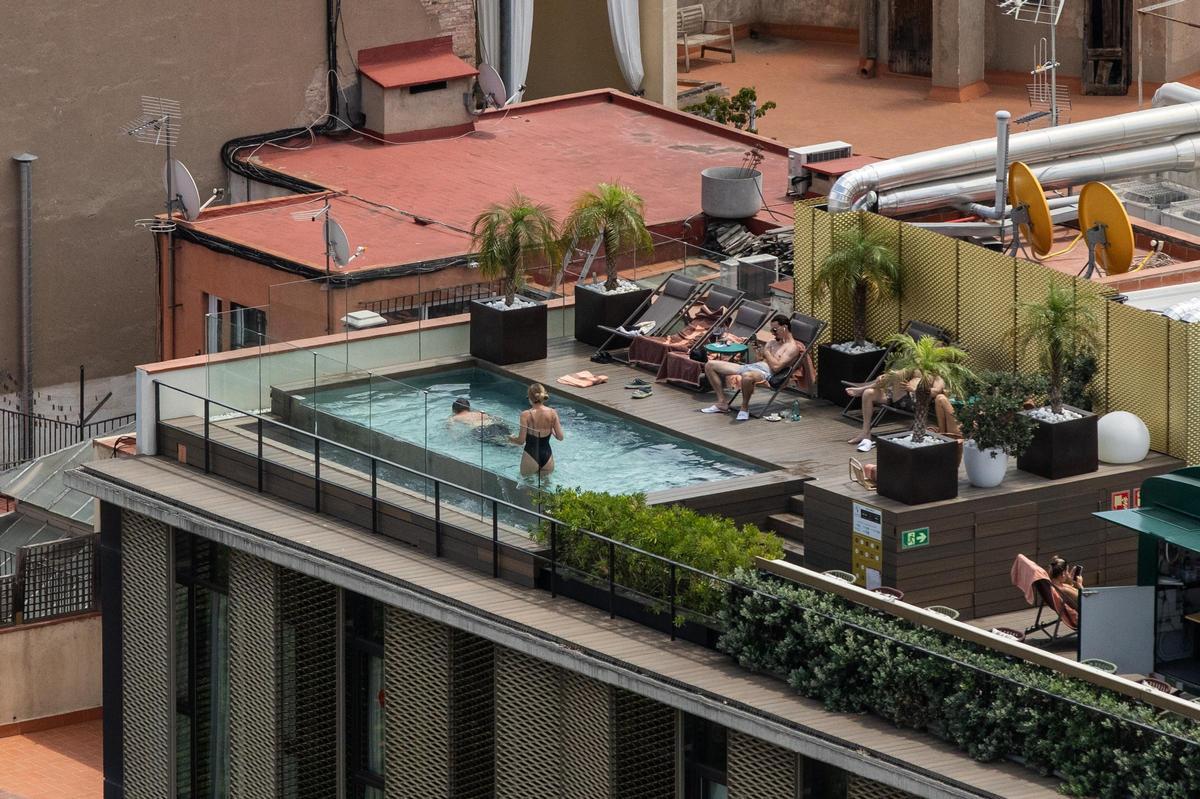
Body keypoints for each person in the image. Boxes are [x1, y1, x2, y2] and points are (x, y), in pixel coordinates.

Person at [700, 314, 801, 421]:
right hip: (752, 367)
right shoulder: (772, 342)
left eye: (774, 330)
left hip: (766, 373)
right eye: (771, 330)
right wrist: (758, 351)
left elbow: (776, 368)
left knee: (747, 376)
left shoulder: (792, 348)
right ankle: (722, 403)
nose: (772, 333)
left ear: (784, 327)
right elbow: (759, 360)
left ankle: (744, 408)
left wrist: (766, 352)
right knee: (710, 365)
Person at [844, 372, 961, 451]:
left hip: (914, 401)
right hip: (896, 395)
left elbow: (936, 391)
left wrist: (915, 389)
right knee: (868, 393)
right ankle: (865, 433)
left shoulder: (937, 377)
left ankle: (860, 390)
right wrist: (883, 377)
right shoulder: (914, 368)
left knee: (895, 374)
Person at [509, 383, 564, 475]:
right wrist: (552, 432)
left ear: (530, 398)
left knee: (526, 486)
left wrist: (510, 438)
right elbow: (560, 437)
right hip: (547, 457)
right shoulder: (552, 412)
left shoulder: (525, 414)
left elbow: (521, 441)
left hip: (531, 455)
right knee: (545, 488)